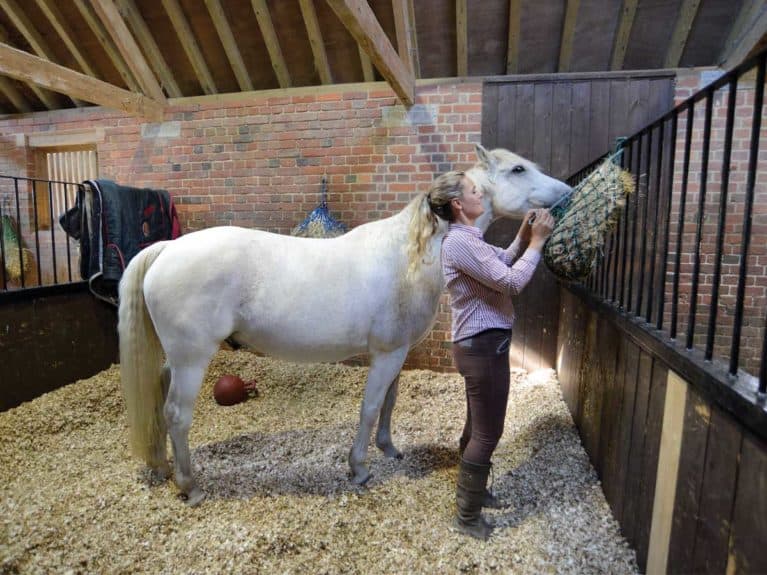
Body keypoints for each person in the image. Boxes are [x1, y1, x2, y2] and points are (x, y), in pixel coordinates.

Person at [427, 170, 555, 540]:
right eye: (472, 190)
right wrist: (538, 244)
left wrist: (522, 236)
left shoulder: (468, 238)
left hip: (481, 344)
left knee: (476, 426)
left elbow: (500, 260)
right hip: (482, 347)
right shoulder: (459, 243)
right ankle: (466, 517)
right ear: (458, 204)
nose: (479, 192)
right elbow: (511, 282)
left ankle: (477, 493)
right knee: (489, 432)